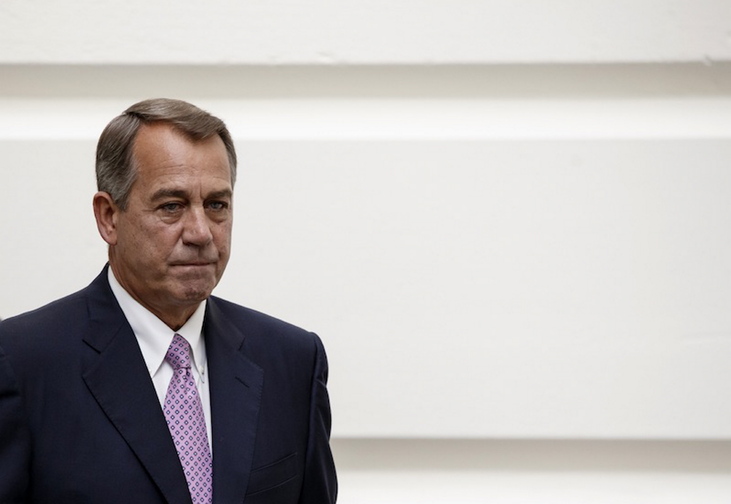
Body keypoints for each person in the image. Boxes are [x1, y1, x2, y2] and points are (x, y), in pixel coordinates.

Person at [0, 98, 337, 503]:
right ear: (109, 217)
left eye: (216, 205)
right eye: (171, 206)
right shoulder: (22, 363)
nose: (200, 232)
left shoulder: (292, 362)